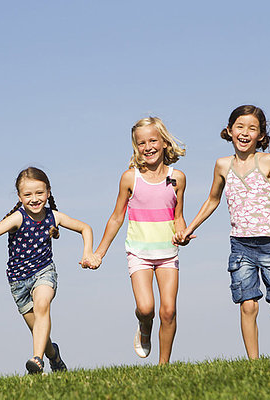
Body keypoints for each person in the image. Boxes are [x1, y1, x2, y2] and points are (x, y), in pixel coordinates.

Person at [174, 105, 270, 359]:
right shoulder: (222, 165)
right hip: (241, 246)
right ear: (230, 130)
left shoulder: (267, 161)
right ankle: (254, 363)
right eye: (240, 127)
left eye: (252, 128)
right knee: (247, 304)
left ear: (261, 135)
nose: (245, 133)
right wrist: (189, 229)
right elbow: (212, 200)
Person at [0, 167, 100, 374]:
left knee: (42, 306)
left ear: (48, 192)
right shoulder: (17, 218)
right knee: (40, 330)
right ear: (20, 197)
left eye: (39, 193)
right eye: (28, 194)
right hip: (18, 282)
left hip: (44, 272)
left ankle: (37, 360)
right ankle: (53, 355)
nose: (34, 199)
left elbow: (85, 228)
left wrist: (87, 253)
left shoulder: (53, 216)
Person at [90, 117, 186, 364]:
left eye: (153, 140)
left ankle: (164, 366)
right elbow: (116, 218)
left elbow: (178, 217)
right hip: (139, 252)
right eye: (141, 143)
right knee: (146, 308)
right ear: (136, 147)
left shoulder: (178, 178)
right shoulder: (129, 178)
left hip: (168, 252)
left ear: (164, 142)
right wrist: (99, 253)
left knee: (169, 311)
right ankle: (144, 326)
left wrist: (183, 233)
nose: (148, 147)